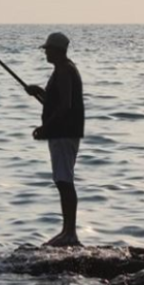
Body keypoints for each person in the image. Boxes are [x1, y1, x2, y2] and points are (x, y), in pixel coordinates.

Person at [25, 32, 85, 247]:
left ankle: (70, 233)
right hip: (63, 132)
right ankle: (67, 231)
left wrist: (45, 128)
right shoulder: (64, 69)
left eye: (48, 49)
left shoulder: (64, 71)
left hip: (64, 133)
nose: (45, 53)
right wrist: (39, 93)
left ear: (57, 50)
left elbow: (65, 107)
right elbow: (55, 104)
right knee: (62, 180)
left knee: (64, 181)